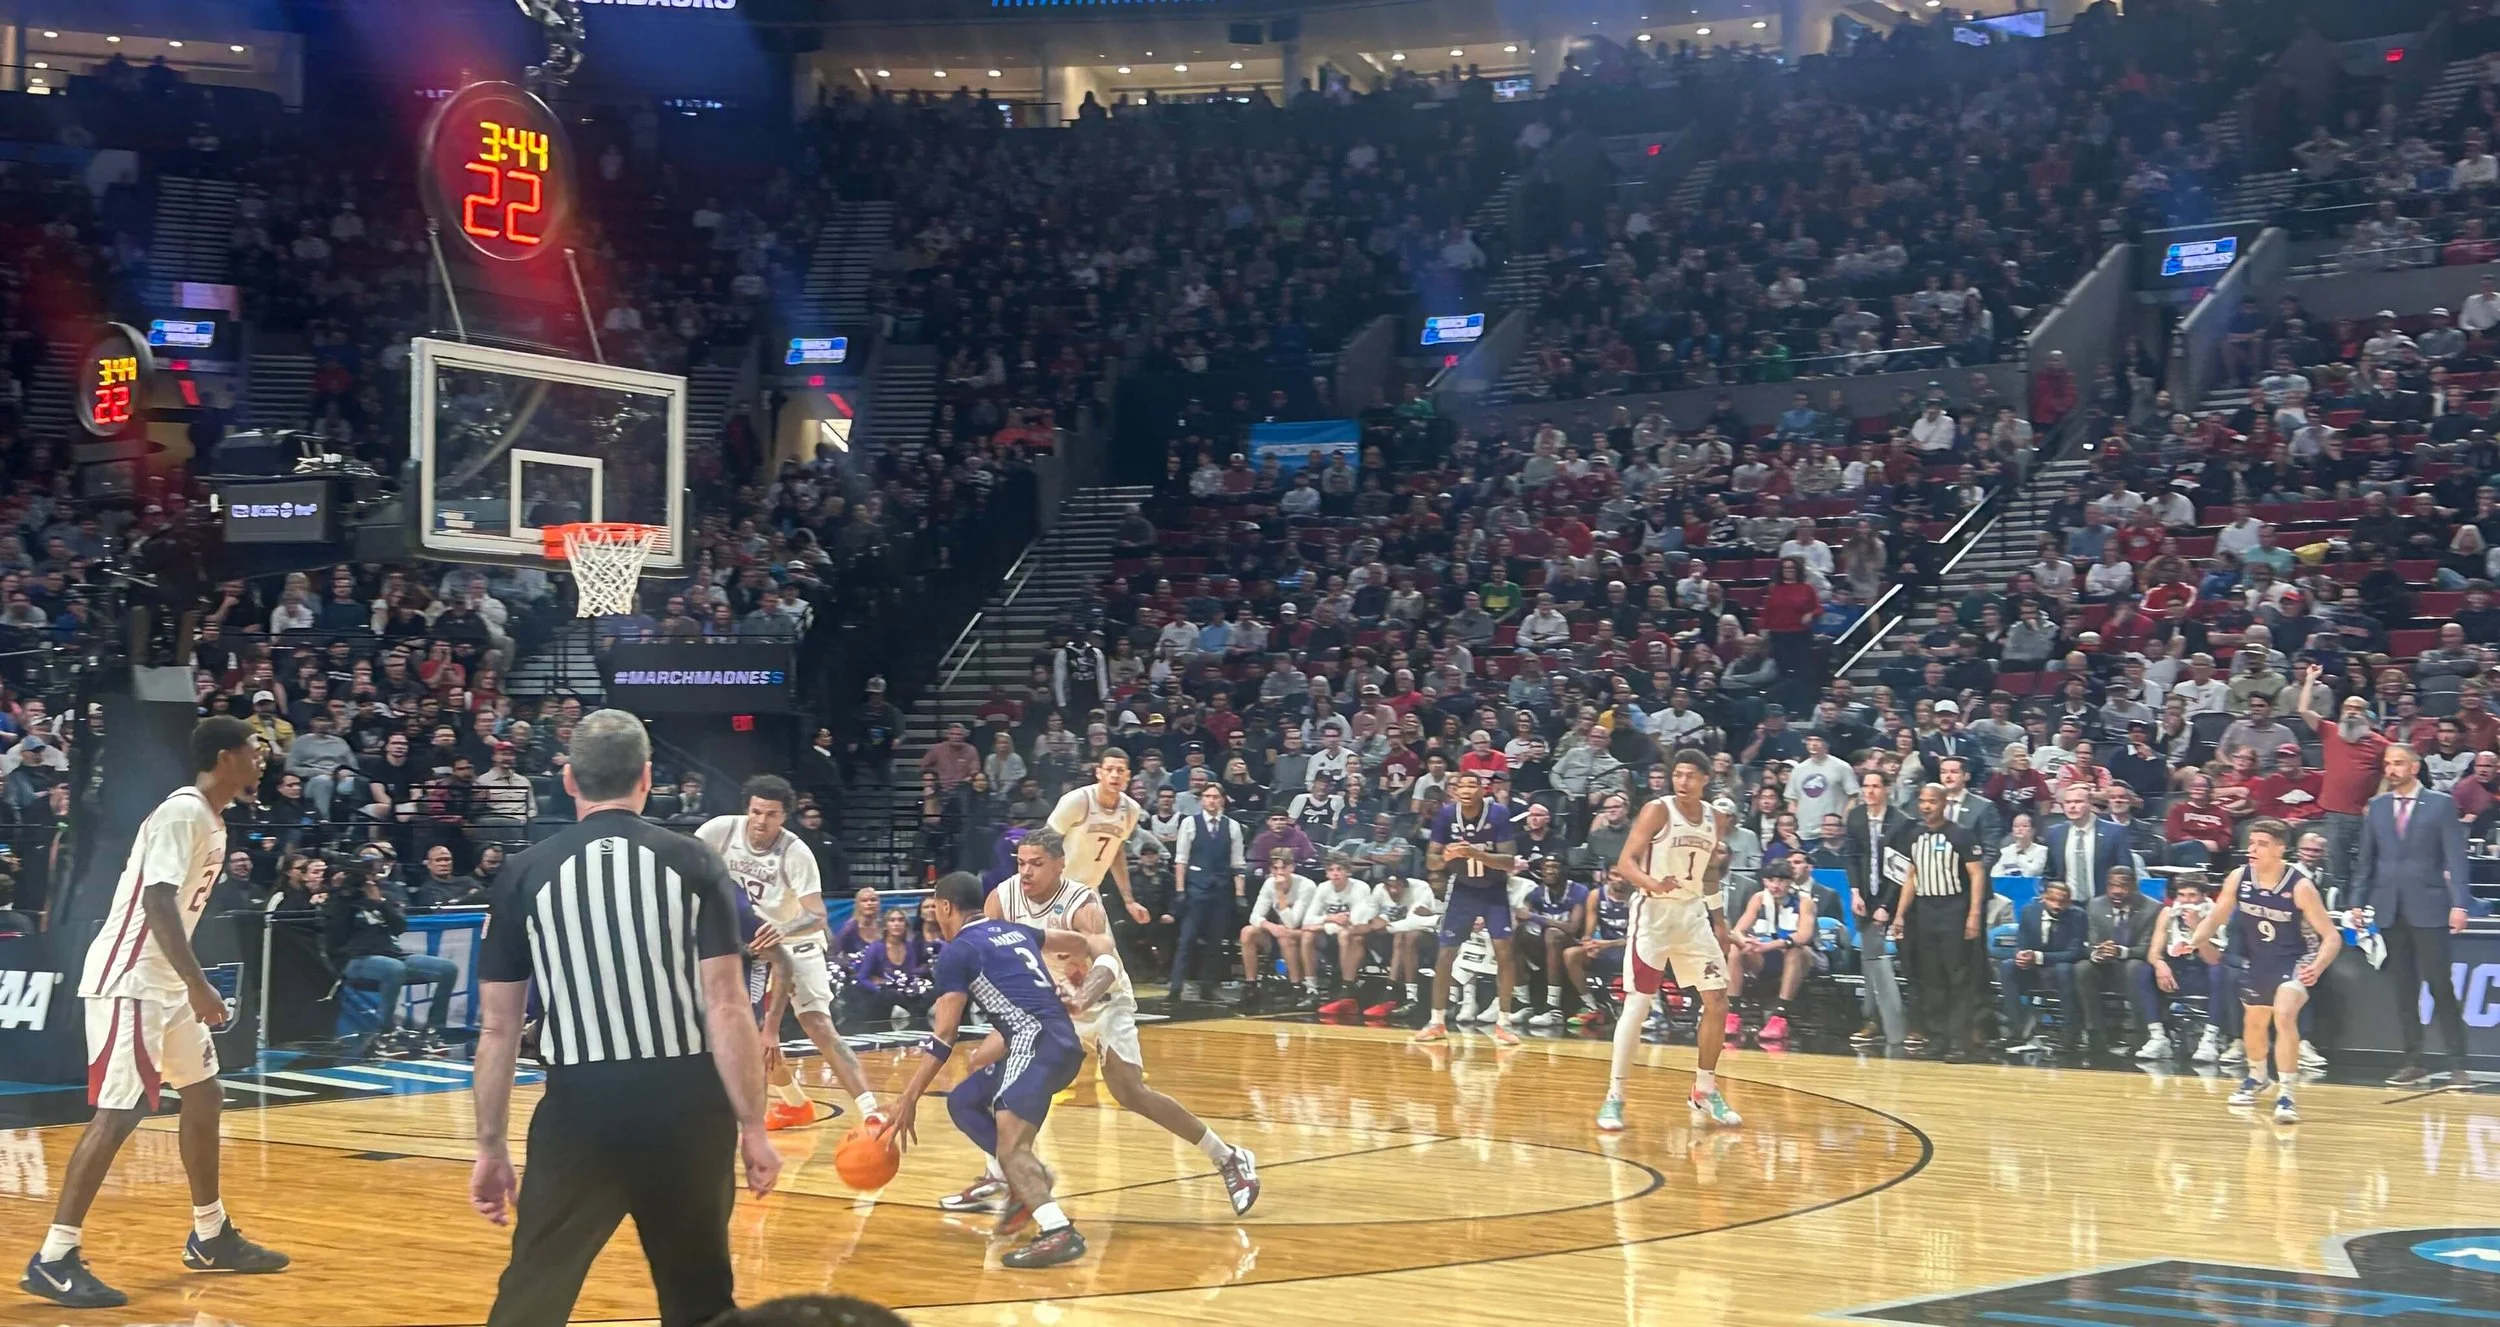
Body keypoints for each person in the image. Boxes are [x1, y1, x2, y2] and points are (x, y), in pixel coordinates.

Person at [469, 710, 779, 1327]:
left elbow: (498, 1029)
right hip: (688, 1110)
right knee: (700, 1302)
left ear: (568, 779)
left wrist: (490, 1146)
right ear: (646, 777)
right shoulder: (695, 862)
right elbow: (727, 1005)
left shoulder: (524, 873)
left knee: (532, 1297)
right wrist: (753, 1125)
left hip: (580, 1110)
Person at [22, 718, 289, 1310]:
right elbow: (157, 900)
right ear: (225, 757)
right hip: (132, 980)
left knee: (205, 1093)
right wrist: (199, 985)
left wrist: (186, 985)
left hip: (164, 983)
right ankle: (54, 1257)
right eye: (254, 750)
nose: (263, 759)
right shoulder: (183, 811)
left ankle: (210, 1235)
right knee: (119, 1112)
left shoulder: (213, 820)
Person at [948, 829, 1258, 1222]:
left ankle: (1227, 1156)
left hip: (1103, 1003)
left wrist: (1083, 997)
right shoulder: (1003, 897)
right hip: (1050, 1009)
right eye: (1021, 863)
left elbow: (1108, 962)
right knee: (986, 1065)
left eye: (1036, 864)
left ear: (1060, 864)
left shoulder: (1082, 903)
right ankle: (1003, 1175)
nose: (1026, 872)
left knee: (1130, 1092)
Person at [877, 869, 1113, 1270]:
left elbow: (944, 1034)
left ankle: (1057, 1229)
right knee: (965, 1100)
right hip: (1059, 1041)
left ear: (946, 907)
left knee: (1010, 1149)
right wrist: (1081, 971)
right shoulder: (1014, 930)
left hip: (1033, 1044)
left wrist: (908, 1097)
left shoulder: (958, 952)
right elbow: (1079, 942)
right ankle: (1024, 1182)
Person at [694, 776, 882, 1132]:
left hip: (796, 941)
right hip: (749, 945)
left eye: (771, 814)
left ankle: (871, 1111)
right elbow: (688, 872)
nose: (761, 821)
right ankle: (795, 1104)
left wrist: (784, 927)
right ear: (746, 809)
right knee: (755, 1035)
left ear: (784, 817)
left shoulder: (796, 853)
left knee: (817, 1024)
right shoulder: (719, 831)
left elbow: (817, 915)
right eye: (756, 812)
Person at [1600, 748, 1742, 1131]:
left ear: (1705, 780)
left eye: (1690, 775)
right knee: (1638, 1005)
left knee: (1717, 1001)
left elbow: (1709, 872)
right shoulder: (1657, 810)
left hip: (1692, 916)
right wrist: (1652, 883)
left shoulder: (1715, 819)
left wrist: (1720, 920)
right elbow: (1625, 862)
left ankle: (1704, 1089)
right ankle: (1615, 1096)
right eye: (1677, 774)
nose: (1682, 781)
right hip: (1654, 915)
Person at [2190, 817, 2342, 1124]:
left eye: (2262, 844)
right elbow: (2216, 917)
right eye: (2252, 843)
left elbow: (2332, 937)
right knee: (2254, 1021)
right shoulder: (2239, 877)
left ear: (2280, 849)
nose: (2253, 849)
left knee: (2283, 1014)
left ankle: (2286, 1094)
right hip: (2260, 960)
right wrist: (2193, 941)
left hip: (2297, 959)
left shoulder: (2300, 886)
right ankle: (2258, 1077)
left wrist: (2317, 966)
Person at [2351, 743, 2476, 1088]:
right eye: (2388, 764)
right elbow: (2366, 861)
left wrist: (2460, 904)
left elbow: (2456, 858)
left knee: (2440, 986)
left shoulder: (2440, 803)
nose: (2391, 769)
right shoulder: (2377, 806)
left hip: (2430, 907)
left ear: (2415, 767)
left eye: (2398, 763)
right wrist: (2356, 902)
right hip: (2389, 909)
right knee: (2403, 990)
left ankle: (2458, 1063)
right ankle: (2413, 1061)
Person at [1413, 771, 1526, 1046]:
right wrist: (1446, 857)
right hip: (1462, 890)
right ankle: (1437, 1021)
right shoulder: (1446, 815)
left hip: (1494, 890)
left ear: (1482, 790)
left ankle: (1504, 1023)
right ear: (1453, 791)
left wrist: (1478, 854)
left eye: (1471, 785)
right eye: (1460, 785)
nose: (1465, 789)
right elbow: (1431, 862)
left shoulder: (1498, 813)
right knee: (1445, 955)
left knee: (1504, 953)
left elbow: (1509, 861)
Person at [1888, 783, 1989, 1061]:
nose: (1926, 806)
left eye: (1932, 801)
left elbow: (1977, 874)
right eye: (1922, 801)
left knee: (1958, 976)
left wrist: (1974, 914)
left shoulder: (1961, 834)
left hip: (1954, 908)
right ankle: (1937, 1037)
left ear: (1944, 803)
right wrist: (1900, 914)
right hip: (1925, 910)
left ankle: (1959, 1040)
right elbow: (1911, 876)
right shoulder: (1915, 835)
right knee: (1931, 977)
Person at [1167, 782, 1247, 1003]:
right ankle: (1176, 986)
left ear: (1222, 800)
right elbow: (1181, 860)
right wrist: (1180, 890)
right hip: (1196, 889)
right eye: (1208, 796)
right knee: (1187, 939)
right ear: (1202, 800)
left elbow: (1238, 863)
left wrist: (1240, 894)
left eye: (1216, 796)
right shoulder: (1190, 823)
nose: (1212, 800)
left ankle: (1207, 986)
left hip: (1221, 890)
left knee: (1215, 941)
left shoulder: (1232, 826)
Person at [2147, 875, 2239, 1064]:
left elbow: (2215, 959)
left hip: (2205, 973)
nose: (2185, 900)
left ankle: (2210, 1040)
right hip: (2177, 971)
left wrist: (2198, 928)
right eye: (2181, 895)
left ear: (2204, 895)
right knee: (2142, 971)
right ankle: (2158, 1038)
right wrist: (2160, 965)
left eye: (2192, 895)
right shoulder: (2168, 913)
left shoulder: (2217, 915)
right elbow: (2153, 952)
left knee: (2220, 972)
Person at [2075, 864, 2163, 1056]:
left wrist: (2120, 952)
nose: (2116, 891)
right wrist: (2097, 953)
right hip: (2106, 966)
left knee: (2135, 967)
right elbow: (2090, 941)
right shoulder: (2096, 905)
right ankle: (2095, 1034)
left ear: (2134, 886)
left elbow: (2147, 948)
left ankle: (2141, 1034)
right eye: (2112, 885)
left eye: (2123, 886)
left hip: (2136, 964)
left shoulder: (2152, 908)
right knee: (2082, 968)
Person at [1727, 861, 1817, 1042]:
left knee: (1795, 950)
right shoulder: (1758, 898)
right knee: (1735, 948)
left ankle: (1780, 1016)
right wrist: (1745, 941)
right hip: (1764, 955)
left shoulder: (1804, 901)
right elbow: (1737, 930)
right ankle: (1732, 1012)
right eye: (1771, 880)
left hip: (1801, 958)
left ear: (1790, 881)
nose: (1775, 886)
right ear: (1764, 881)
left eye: (1781, 881)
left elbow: (1804, 936)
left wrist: (1769, 946)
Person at [1997, 879, 2085, 1055]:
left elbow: (2074, 953)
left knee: (2065, 969)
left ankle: (2070, 1033)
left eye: (2062, 901)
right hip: (2033, 969)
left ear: (2069, 901)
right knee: (2007, 966)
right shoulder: (2029, 911)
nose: (2057, 905)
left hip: (2060, 968)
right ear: (2044, 898)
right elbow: (2022, 943)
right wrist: (2022, 956)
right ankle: (2017, 1029)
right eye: (2053, 900)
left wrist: (2038, 957)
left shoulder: (2078, 916)